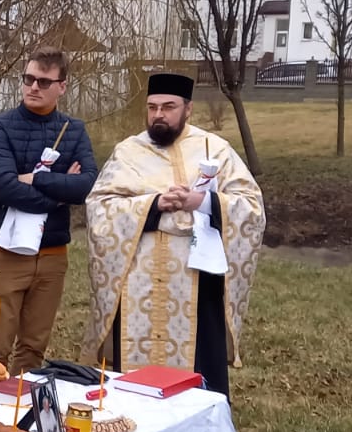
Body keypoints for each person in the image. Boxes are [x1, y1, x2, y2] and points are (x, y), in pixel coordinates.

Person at [79, 73, 265, 398]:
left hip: (196, 282)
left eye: (168, 107)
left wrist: (201, 201)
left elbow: (251, 207)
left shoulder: (215, 149)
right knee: (133, 381)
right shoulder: (128, 152)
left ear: (188, 109)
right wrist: (154, 204)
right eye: (152, 107)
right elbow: (99, 206)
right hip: (138, 283)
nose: (159, 115)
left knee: (198, 374)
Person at [0, 47, 97, 374]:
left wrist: (36, 179)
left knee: (33, 347)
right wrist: (59, 194)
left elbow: (86, 185)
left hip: (51, 254)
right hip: (5, 252)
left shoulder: (73, 130)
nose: (33, 87)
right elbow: (3, 186)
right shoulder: (0, 127)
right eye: (28, 79)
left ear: (62, 86)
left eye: (43, 82)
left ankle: (21, 403)